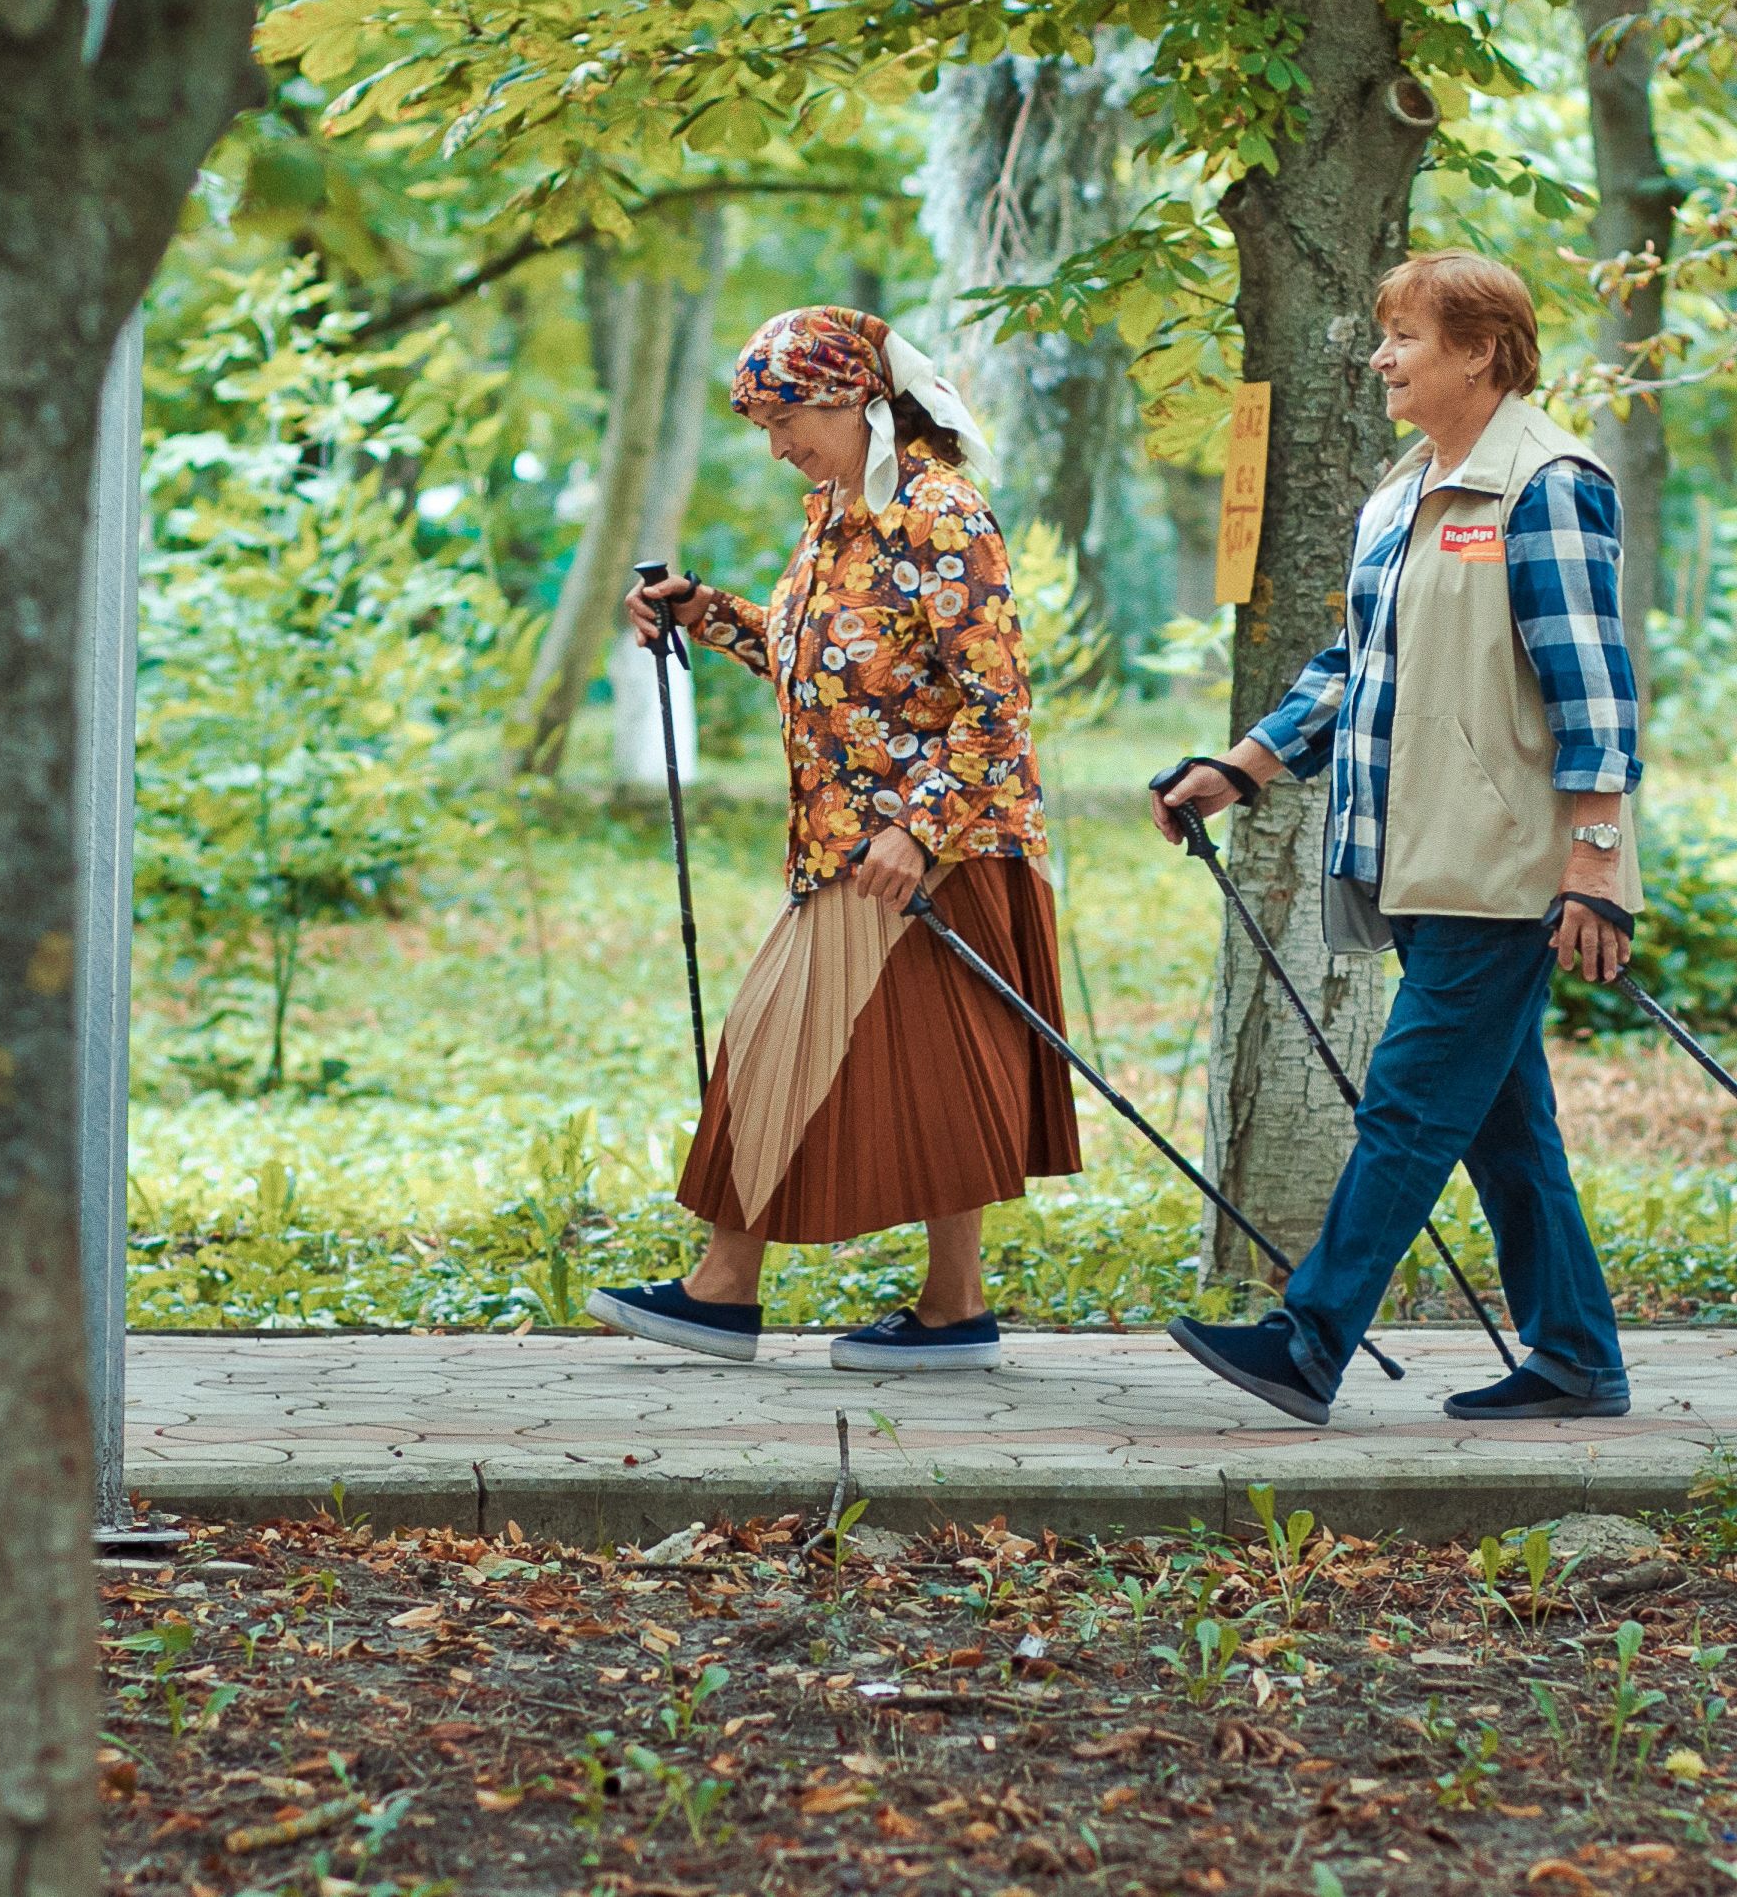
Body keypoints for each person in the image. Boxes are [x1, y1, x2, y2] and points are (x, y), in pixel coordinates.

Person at [1147, 251, 1644, 1426]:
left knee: (1411, 1104)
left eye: (1406, 336)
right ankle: (1575, 1354)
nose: (1381, 356)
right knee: (1504, 1122)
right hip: (1418, 852)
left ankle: (1307, 1341)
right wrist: (1245, 765)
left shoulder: (1546, 485)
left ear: (1479, 350)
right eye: (1386, 335)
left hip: (1505, 865)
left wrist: (1596, 860)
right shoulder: (1403, 493)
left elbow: (1597, 693)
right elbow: (1354, 669)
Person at [591, 305, 1081, 1371]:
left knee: (770, 1039)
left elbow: (995, 702)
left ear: (854, 399)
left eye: (784, 419)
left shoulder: (939, 515)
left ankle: (723, 1290)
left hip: (928, 849)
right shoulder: (835, 513)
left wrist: (918, 826)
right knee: (950, 1074)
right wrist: (704, 613)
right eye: (763, 425)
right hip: (852, 847)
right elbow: (822, 664)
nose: (775, 446)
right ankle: (955, 1312)